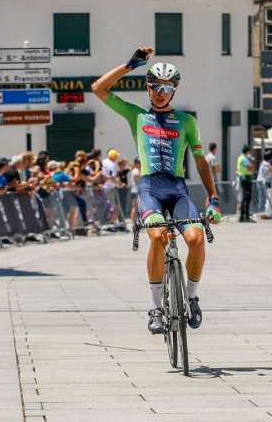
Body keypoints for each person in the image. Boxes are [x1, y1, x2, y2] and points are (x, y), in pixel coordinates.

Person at [92, 46, 219, 335]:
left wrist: (214, 200)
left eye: (166, 87)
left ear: (173, 90)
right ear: (147, 88)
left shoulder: (187, 121)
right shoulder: (137, 116)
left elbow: (200, 161)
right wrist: (130, 64)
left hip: (177, 189)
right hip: (150, 187)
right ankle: (155, 308)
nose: (160, 92)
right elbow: (98, 88)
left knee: (197, 239)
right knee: (159, 237)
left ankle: (191, 298)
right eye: (155, 87)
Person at [236, 145, 255, 223]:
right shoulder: (244, 158)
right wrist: (252, 168)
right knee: (247, 198)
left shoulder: (240, 158)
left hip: (242, 178)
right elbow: (249, 166)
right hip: (246, 178)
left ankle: (242, 216)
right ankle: (246, 216)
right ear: (247, 151)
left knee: (244, 198)